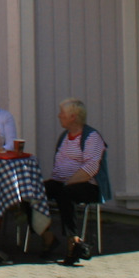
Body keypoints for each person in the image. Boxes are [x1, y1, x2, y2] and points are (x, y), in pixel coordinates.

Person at [43, 98, 107, 266]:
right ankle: (47, 236)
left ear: (73, 117)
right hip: (63, 183)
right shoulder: (64, 136)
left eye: (62, 114)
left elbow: (91, 168)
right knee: (33, 192)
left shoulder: (92, 137)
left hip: (89, 186)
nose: (59, 116)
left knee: (65, 194)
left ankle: (74, 242)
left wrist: (67, 183)